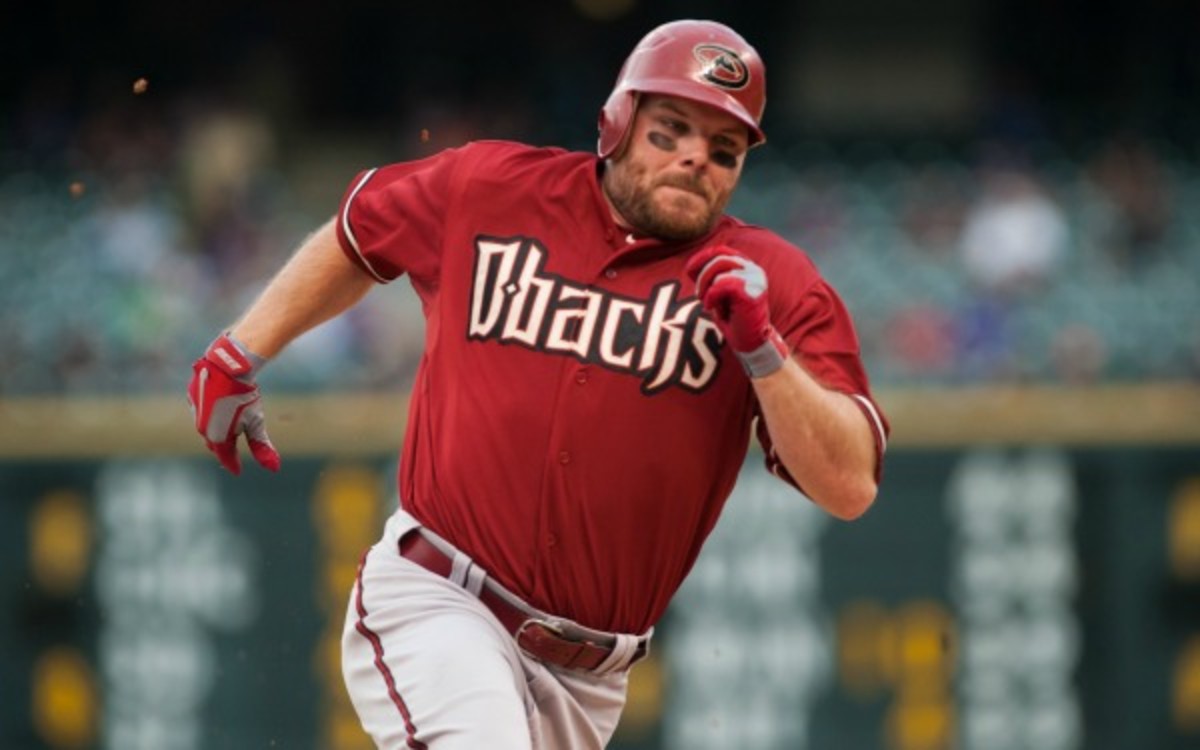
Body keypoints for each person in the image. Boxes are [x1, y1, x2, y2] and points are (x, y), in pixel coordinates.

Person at [187, 19, 889, 749]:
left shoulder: (771, 280)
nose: (694, 159)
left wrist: (764, 350)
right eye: (670, 130)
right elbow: (359, 234)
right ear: (616, 123)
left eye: (723, 149)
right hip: (441, 599)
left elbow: (851, 485)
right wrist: (241, 350)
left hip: (590, 678)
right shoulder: (492, 189)